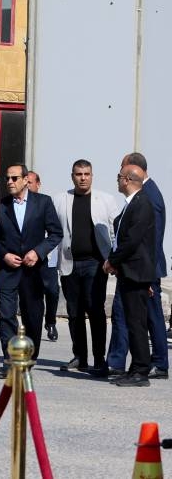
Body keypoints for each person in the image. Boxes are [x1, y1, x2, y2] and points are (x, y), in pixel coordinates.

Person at [0, 164, 62, 373]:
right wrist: (4, 255)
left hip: (33, 270)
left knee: (33, 316)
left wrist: (38, 252)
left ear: (25, 180)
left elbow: (56, 233)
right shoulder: (0, 205)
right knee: (7, 316)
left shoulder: (43, 202)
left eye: (14, 178)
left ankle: (28, 357)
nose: (9, 182)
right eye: (7, 178)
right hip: (7, 270)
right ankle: (11, 360)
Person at [53, 159, 121, 377]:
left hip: (96, 264)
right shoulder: (60, 200)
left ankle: (99, 359)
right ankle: (80, 356)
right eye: (78, 174)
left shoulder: (106, 200)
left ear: (92, 176)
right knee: (74, 312)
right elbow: (53, 231)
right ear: (72, 176)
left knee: (95, 310)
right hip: (69, 263)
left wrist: (112, 259)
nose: (83, 178)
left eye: (86, 174)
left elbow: (116, 232)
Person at [107, 153, 168, 381]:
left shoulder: (147, 198)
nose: (118, 178)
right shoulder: (139, 197)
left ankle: (150, 365)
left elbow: (147, 240)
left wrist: (114, 261)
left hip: (141, 270)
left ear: (130, 174)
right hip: (133, 269)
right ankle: (133, 366)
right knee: (135, 319)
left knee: (141, 320)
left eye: (120, 172)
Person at [26, 170, 61, 342]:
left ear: (38, 184)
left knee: (52, 290)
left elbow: (55, 231)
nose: (27, 185)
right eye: (25, 182)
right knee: (31, 294)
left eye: (30, 182)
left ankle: (51, 321)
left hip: (47, 257)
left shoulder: (45, 202)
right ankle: (32, 326)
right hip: (27, 258)